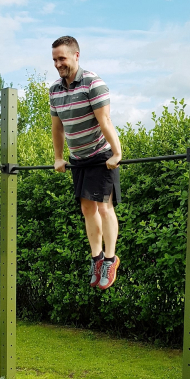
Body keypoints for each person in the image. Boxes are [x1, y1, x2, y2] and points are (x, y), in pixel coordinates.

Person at [49, 36, 122, 290]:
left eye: (62, 58)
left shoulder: (93, 83)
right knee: (87, 210)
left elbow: (105, 121)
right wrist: (58, 158)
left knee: (104, 207)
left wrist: (117, 153)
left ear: (76, 56)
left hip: (101, 156)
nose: (58, 64)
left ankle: (110, 259)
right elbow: (57, 127)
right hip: (78, 158)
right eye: (54, 60)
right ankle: (97, 258)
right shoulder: (55, 90)